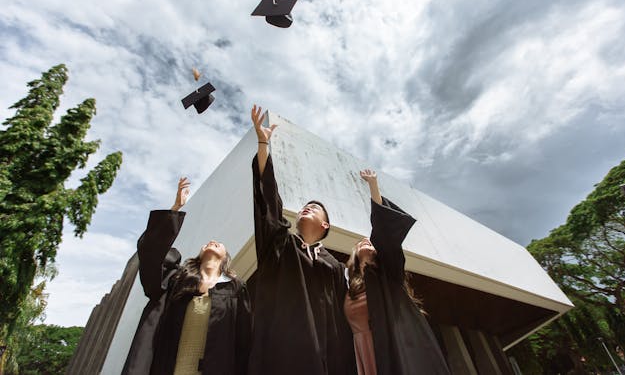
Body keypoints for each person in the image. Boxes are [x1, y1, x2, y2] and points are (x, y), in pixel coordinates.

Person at [248, 105, 356, 375]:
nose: (306, 207)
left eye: (314, 207)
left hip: (326, 360)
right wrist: (263, 144)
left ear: (325, 224)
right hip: (280, 355)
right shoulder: (281, 245)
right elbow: (268, 202)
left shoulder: (335, 268)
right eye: (304, 206)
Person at [122, 177, 252, 375]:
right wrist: (174, 210)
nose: (212, 241)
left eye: (219, 243)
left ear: (226, 258)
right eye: (207, 242)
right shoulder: (175, 280)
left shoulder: (235, 290)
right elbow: (151, 256)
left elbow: (243, 343)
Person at [344, 169, 450, 375]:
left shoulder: (388, 271)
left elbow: (384, 231)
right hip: (363, 351)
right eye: (361, 242)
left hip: (396, 348)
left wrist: (373, 186)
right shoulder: (347, 283)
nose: (366, 240)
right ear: (354, 253)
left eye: (370, 240)